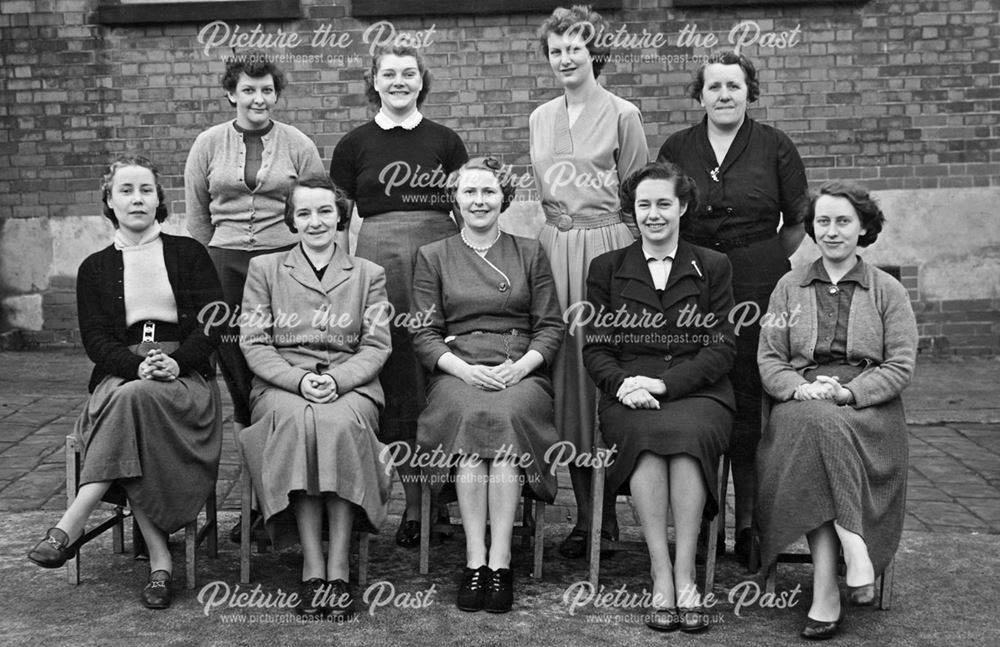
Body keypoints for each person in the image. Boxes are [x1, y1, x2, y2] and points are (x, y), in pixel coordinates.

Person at [28, 155, 224, 610]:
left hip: (184, 378)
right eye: (126, 190)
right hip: (121, 375)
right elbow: (95, 339)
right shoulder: (94, 268)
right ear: (109, 202)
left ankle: (72, 523)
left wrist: (178, 363)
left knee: (133, 404)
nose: (137, 198)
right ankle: (160, 563)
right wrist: (135, 367)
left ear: (160, 201)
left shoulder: (188, 253)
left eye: (146, 190)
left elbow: (213, 323)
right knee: (134, 401)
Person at [657, 50, 809, 563]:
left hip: (759, 281)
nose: (724, 95)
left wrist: (757, 261)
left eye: (734, 87)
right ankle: (699, 521)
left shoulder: (774, 146)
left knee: (750, 396)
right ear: (699, 95)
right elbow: (666, 209)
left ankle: (748, 523)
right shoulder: (678, 147)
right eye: (714, 87)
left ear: (750, 92)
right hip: (692, 281)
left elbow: (795, 223)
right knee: (698, 388)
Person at [756, 181, 917, 640]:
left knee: (820, 429)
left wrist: (849, 393)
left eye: (843, 221)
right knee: (814, 421)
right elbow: (770, 358)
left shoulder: (886, 290)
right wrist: (800, 388)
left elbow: (900, 364)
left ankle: (826, 587)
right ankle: (854, 545)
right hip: (802, 400)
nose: (831, 231)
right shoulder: (789, 286)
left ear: (863, 227)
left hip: (868, 410)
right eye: (822, 221)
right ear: (812, 228)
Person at [582, 162, 736, 633]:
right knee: (647, 437)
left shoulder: (712, 266)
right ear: (632, 211)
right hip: (629, 391)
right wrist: (624, 385)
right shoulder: (607, 268)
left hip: (699, 391)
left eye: (663, 204)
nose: (653, 214)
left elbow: (723, 346)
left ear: (683, 207)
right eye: (644, 205)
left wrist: (669, 386)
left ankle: (686, 571)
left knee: (687, 436)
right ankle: (659, 571)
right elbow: (595, 346)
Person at [329, 45, 469, 548]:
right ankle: (414, 504)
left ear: (421, 80)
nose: (399, 81)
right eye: (389, 74)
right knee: (397, 376)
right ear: (374, 81)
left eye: (408, 73)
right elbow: (340, 223)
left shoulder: (446, 142)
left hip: (438, 261)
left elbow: (468, 213)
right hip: (380, 263)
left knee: (442, 368)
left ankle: (450, 498)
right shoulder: (354, 144)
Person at [410, 157, 564, 613]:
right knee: (472, 419)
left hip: (519, 370)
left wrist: (521, 369)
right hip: (459, 371)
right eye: (470, 192)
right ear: (455, 200)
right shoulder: (433, 255)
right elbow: (422, 332)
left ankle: (502, 561)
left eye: (489, 192)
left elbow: (551, 326)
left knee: (504, 417)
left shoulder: (529, 251)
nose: (479, 201)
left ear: (504, 199)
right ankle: (475, 559)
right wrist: (462, 369)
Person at [184, 55, 326, 541]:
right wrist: (202, 276)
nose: (258, 99)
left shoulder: (298, 144)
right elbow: (198, 218)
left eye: (267, 90)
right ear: (231, 94)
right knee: (239, 377)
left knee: (281, 367)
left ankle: (282, 503)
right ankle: (257, 500)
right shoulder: (207, 144)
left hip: (283, 265)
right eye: (248, 90)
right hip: (223, 268)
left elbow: (317, 208)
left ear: (276, 94)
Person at [237, 176, 392, 620]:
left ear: (340, 215)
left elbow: (377, 345)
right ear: (291, 219)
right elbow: (254, 342)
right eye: (303, 213)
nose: (315, 221)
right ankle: (311, 566)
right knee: (299, 424)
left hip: (351, 386)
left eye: (325, 211)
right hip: (283, 385)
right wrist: (298, 381)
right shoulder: (265, 270)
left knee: (338, 425)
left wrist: (340, 381)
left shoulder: (368, 274)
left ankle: (339, 567)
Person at [531, 4, 649, 559]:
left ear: (594, 52)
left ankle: (618, 507)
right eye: (556, 50)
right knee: (564, 374)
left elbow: (636, 199)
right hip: (555, 250)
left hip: (607, 250)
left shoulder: (624, 114)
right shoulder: (538, 117)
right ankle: (586, 517)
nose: (565, 58)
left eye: (575, 47)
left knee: (605, 366)